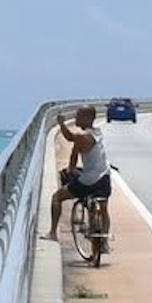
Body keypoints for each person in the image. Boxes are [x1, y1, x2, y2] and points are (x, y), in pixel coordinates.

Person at [49, 105, 113, 257]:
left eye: (79, 115)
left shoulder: (82, 137)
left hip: (89, 180)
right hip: (104, 176)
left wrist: (61, 124)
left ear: (88, 118)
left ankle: (52, 232)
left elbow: (71, 141)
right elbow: (73, 144)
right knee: (103, 207)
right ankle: (104, 243)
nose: (76, 118)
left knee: (57, 197)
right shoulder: (98, 133)